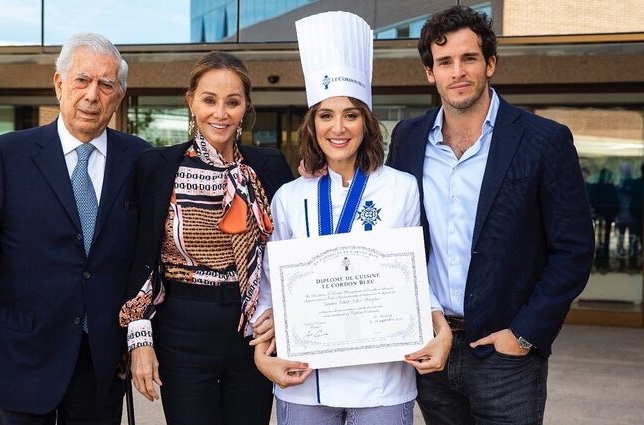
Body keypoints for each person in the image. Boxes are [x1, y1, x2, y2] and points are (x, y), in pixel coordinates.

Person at [385, 6, 595, 425]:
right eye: (444, 62)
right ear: (430, 73)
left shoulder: (543, 140)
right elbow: (395, 231)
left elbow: (574, 249)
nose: (457, 71)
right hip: (434, 347)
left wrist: (524, 335)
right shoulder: (407, 139)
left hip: (506, 356)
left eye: (469, 58)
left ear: (490, 63)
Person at [252, 11, 452, 425]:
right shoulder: (290, 197)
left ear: (366, 122)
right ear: (312, 124)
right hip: (304, 375)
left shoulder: (401, 188)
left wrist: (439, 326)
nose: (337, 128)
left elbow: (415, 272)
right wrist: (262, 347)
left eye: (350, 114)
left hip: (384, 376)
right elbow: (272, 280)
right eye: (326, 115)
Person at [0, 33, 150, 424]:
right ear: (59, 84)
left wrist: (140, 339)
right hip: (20, 356)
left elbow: (147, 261)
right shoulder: (6, 155)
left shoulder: (139, 159)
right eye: (81, 80)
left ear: (119, 96)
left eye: (106, 85)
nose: (92, 95)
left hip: (104, 361)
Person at [118, 51, 294, 425]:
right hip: (181, 330)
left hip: (252, 332)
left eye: (233, 102)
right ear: (191, 102)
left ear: (246, 106)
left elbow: (289, 252)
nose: (221, 113)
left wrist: (284, 313)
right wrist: (140, 340)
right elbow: (140, 260)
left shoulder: (270, 166)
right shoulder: (157, 166)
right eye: (209, 100)